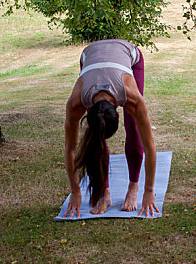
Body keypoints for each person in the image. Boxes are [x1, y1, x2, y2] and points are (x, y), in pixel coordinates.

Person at [63, 38, 159, 218]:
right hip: (90, 56)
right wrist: (75, 191)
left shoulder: (132, 98)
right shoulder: (76, 103)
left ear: (119, 113)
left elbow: (149, 146)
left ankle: (133, 186)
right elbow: (71, 148)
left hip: (128, 54)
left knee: (134, 128)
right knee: (95, 137)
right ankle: (103, 191)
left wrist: (148, 191)